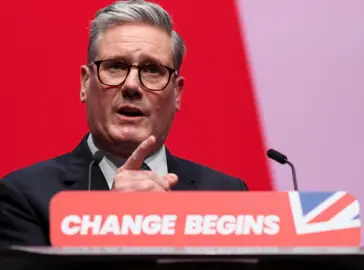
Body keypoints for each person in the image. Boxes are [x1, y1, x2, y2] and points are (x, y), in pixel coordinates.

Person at [0, 0, 248, 246]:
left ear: (177, 94)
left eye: (153, 70)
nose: (131, 85)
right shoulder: (24, 197)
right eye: (116, 67)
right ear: (86, 83)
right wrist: (113, 224)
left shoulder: (227, 195)